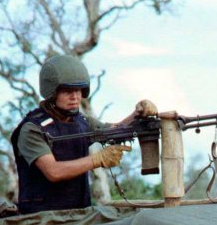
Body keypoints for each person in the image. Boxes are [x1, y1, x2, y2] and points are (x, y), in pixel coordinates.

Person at [11, 54, 158, 214]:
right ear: (52, 92)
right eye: (67, 91)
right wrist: (97, 159)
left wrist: (137, 113)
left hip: (79, 214)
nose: (75, 97)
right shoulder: (33, 128)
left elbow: (115, 131)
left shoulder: (81, 122)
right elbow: (53, 172)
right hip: (42, 220)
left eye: (78, 90)